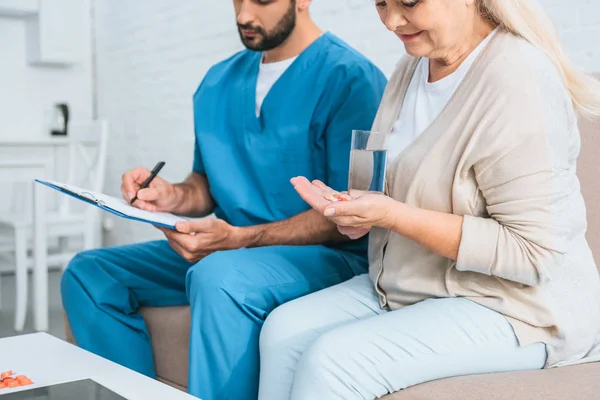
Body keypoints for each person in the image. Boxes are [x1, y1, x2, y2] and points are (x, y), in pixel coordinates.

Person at [257, 0, 600, 399]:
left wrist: (394, 215)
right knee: (284, 330)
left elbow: (534, 253)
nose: (391, 21)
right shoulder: (411, 68)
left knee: (333, 361)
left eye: (408, 2)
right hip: (413, 286)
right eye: (381, 4)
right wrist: (356, 213)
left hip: (516, 307)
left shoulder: (517, 78)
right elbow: (393, 187)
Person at [60, 0, 387, 399]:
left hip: (325, 255)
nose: (243, 15)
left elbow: (348, 213)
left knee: (218, 278)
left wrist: (241, 239)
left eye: (262, 1)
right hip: (229, 246)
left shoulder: (352, 80)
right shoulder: (218, 82)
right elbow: (206, 186)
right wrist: (170, 195)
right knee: (89, 272)